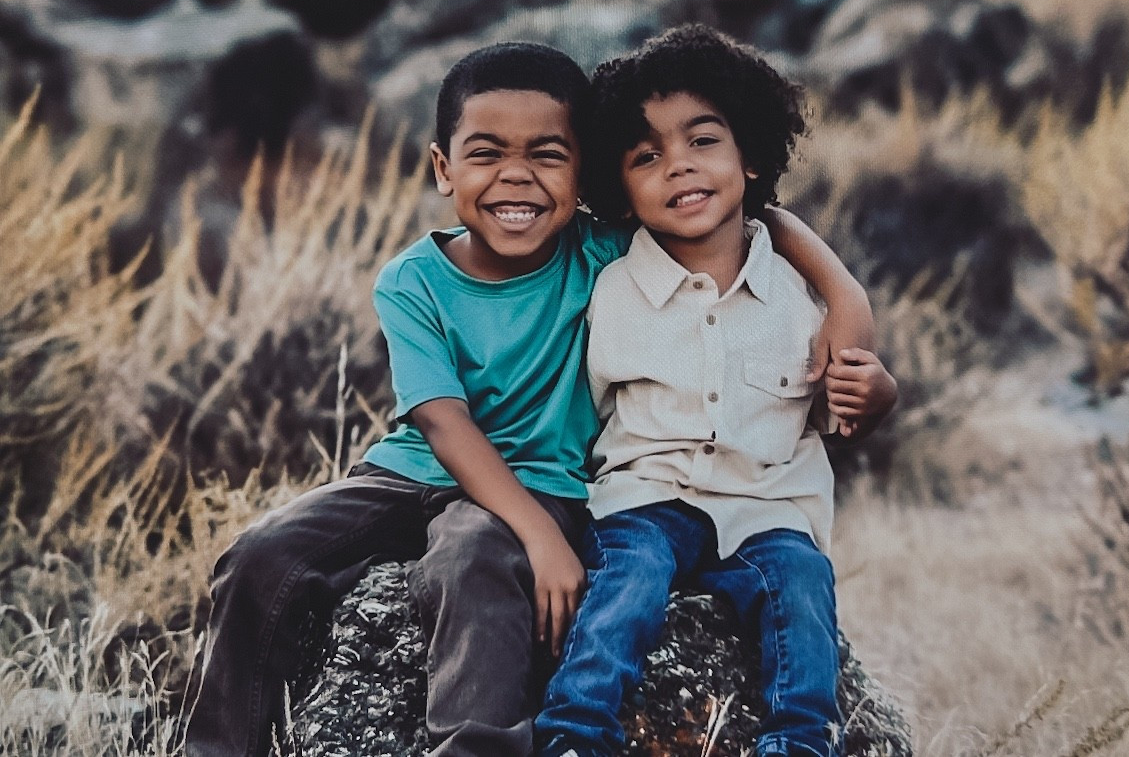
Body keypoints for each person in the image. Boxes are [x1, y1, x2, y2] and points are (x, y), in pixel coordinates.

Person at [186, 39, 877, 757]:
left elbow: (753, 216)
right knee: (259, 555)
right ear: (442, 168)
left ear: (583, 172)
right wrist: (544, 542)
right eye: (485, 154)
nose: (515, 178)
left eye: (547, 155)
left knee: (471, 555)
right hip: (411, 472)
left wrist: (842, 293)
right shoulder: (412, 279)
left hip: (544, 482)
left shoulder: (605, 250)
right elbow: (441, 423)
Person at [534, 25, 898, 757]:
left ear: (751, 155)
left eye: (702, 141)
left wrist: (874, 392)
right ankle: (575, 731)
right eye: (646, 156)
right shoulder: (610, 289)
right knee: (627, 580)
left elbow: (837, 411)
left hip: (768, 506)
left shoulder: (798, 296)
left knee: (800, 590)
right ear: (618, 188)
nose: (679, 168)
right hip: (648, 497)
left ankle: (800, 741)